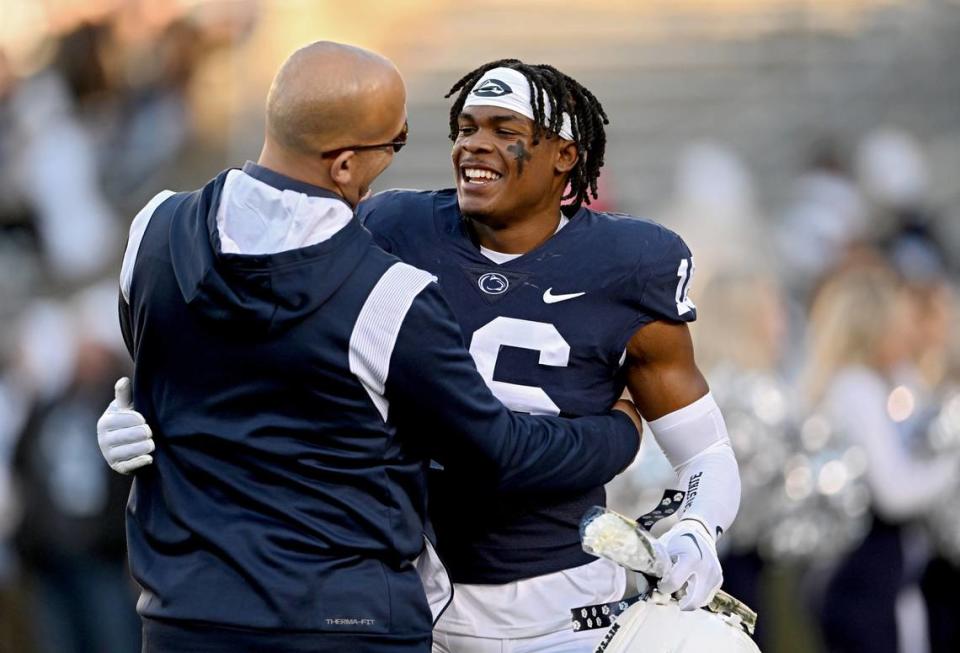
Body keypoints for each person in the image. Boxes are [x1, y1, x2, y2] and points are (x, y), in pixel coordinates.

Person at [101, 59, 742, 652]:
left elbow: (706, 453)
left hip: (568, 609)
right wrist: (145, 408)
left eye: (504, 129)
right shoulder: (389, 231)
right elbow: (267, 354)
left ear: (565, 157)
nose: (472, 145)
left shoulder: (632, 265)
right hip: (425, 601)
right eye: (463, 127)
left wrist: (697, 528)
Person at [803, 264, 960, 653]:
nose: (907, 330)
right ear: (876, 325)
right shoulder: (857, 388)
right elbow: (895, 492)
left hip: (875, 579)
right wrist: (951, 467)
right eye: (897, 319)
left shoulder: (875, 384)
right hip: (865, 580)